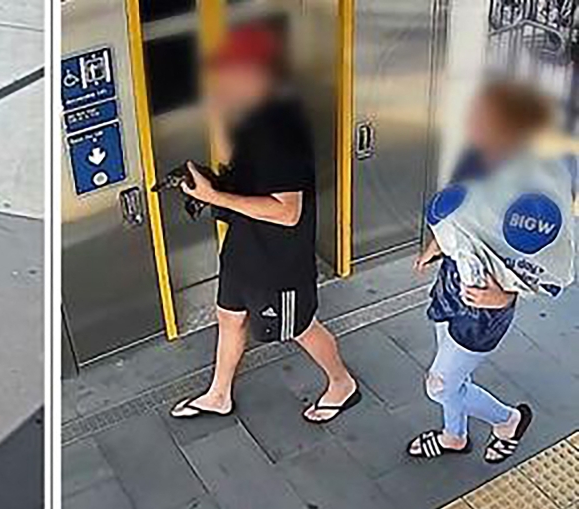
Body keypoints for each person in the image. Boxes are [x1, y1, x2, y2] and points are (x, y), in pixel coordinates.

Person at [170, 25, 359, 424]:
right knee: (230, 315)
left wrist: (214, 197)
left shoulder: (281, 132)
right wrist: (210, 182)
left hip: (278, 263)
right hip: (245, 246)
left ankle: (341, 383)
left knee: (301, 326)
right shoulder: (254, 118)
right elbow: (251, 180)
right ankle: (219, 394)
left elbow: (287, 211)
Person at [406, 81, 550, 462]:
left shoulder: (538, 189)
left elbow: (552, 264)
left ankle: (509, 420)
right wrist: (435, 247)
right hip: (451, 288)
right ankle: (454, 436)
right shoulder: (476, 160)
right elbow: (457, 214)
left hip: (485, 309)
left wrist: (507, 296)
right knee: (454, 377)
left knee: (439, 385)